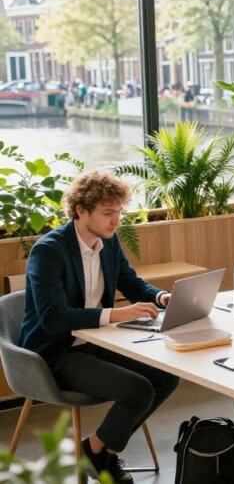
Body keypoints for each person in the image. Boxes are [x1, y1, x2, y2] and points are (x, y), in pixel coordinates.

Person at [18, 171, 180, 483]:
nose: (116, 221)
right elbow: (53, 317)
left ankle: (96, 449)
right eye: (108, 213)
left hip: (94, 343)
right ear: (81, 210)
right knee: (137, 389)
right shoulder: (49, 250)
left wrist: (161, 296)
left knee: (167, 377)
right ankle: (101, 454)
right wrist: (116, 315)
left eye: (119, 212)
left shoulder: (108, 242)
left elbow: (130, 282)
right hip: (54, 353)